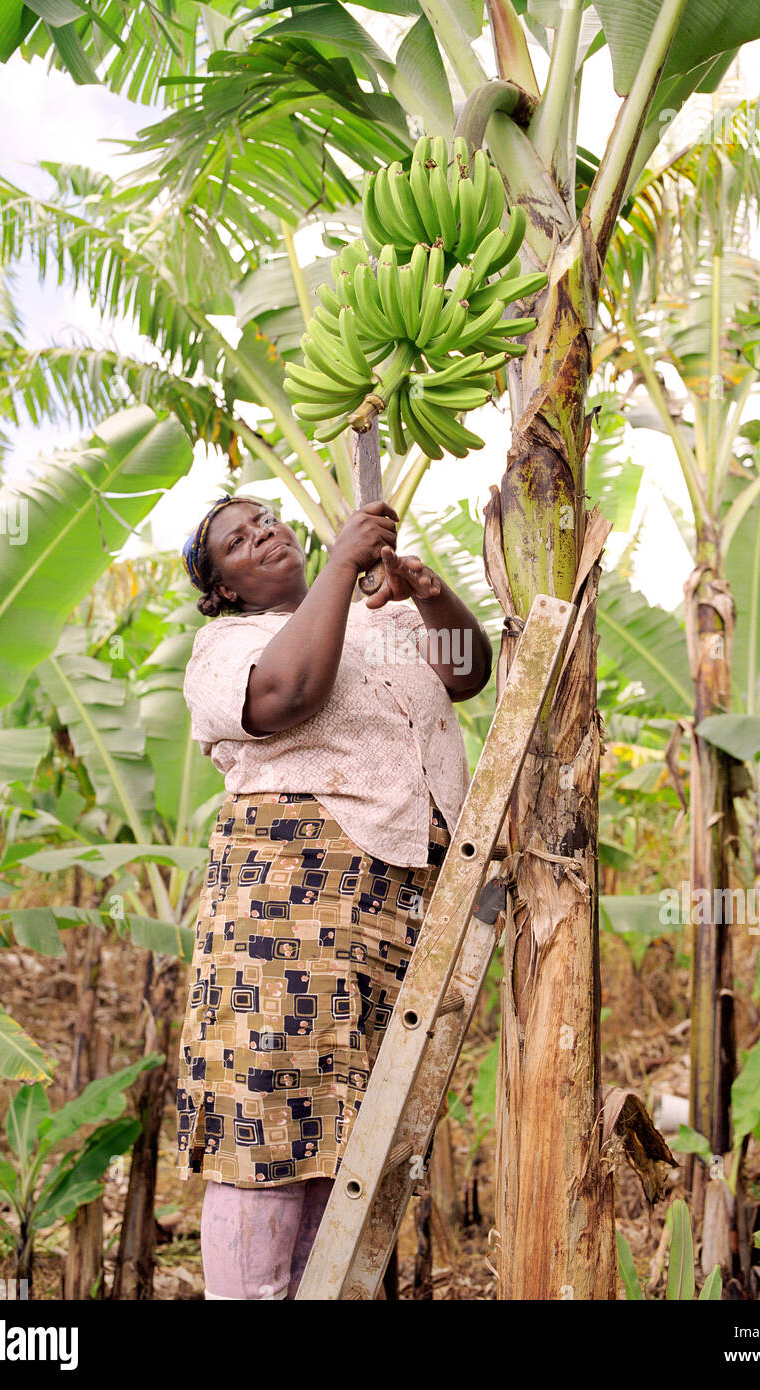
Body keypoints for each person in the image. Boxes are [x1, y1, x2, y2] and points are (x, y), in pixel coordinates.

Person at [175, 492, 492, 1299]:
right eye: (239, 542)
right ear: (226, 589)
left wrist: (423, 589)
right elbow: (289, 696)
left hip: (393, 895)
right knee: (271, 1112)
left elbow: (468, 671)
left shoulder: (378, 617)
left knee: (349, 1124)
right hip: (286, 902)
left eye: (267, 521)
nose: (265, 536)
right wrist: (347, 562)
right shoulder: (225, 646)